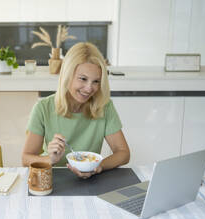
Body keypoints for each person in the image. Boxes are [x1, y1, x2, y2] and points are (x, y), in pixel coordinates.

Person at [22, 42, 130, 179]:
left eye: (96, 81)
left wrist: (97, 167)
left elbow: (123, 153)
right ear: (68, 75)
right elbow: (26, 159)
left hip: (90, 180)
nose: (89, 88)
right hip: (51, 179)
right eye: (83, 79)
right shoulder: (43, 108)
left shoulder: (104, 106)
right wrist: (51, 160)